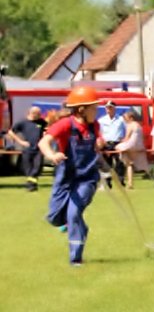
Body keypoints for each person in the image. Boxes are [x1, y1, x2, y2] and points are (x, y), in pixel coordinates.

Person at [38, 86, 105, 266]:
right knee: (54, 217)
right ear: (81, 109)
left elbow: (97, 141)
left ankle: (76, 258)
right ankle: (80, 227)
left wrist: (99, 144)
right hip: (65, 177)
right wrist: (52, 156)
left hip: (87, 178)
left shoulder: (94, 125)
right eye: (94, 107)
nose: (96, 111)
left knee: (73, 213)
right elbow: (44, 142)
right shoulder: (66, 124)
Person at [7, 106, 48, 192]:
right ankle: (31, 185)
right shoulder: (22, 122)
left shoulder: (42, 122)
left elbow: (46, 131)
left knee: (37, 167)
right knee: (28, 168)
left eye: (39, 114)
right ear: (31, 113)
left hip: (39, 148)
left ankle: (31, 183)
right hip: (28, 148)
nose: (39, 115)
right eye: (38, 114)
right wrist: (21, 142)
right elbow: (11, 132)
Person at [115, 110, 147, 189]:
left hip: (131, 145)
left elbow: (127, 138)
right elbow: (142, 138)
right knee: (130, 165)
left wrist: (121, 141)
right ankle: (130, 183)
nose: (125, 120)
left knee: (117, 147)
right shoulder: (139, 125)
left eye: (126, 118)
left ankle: (125, 160)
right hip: (139, 146)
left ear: (131, 118)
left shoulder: (130, 125)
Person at [98, 100, 126, 188]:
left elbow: (125, 131)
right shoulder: (101, 120)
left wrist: (123, 141)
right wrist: (102, 142)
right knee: (107, 164)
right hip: (106, 143)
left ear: (114, 108)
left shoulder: (121, 119)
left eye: (110, 107)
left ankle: (120, 180)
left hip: (117, 143)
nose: (108, 109)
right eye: (107, 107)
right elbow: (99, 132)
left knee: (120, 162)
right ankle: (107, 182)